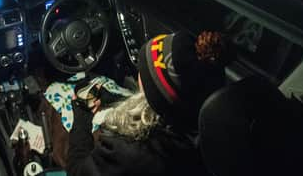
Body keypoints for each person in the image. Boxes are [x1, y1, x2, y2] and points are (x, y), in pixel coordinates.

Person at [67, 31, 230, 176]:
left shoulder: (129, 151)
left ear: (155, 97)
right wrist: (111, 99)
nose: (139, 71)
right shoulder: (205, 133)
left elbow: (77, 171)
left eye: (143, 70)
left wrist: (82, 118)